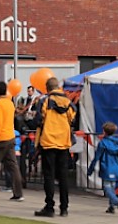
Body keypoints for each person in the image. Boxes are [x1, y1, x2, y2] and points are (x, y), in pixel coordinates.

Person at [34, 77, 76, 218]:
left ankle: (49, 207)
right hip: (63, 141)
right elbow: (72, 118)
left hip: (48, 140)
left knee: (49, 175)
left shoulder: (45, 101)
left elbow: (39, 119)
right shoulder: (69, 102)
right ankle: (64, 207)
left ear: (47, 88)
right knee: (63, 176)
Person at [87, 121, 118, 217]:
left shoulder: (102, 143)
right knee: (112, 187)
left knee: (107, 188)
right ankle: (111, 207)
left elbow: (96, 157)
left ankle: (117, 202)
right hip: (117, 168)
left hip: (106, 167)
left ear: (104, 131)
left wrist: (90, 170)